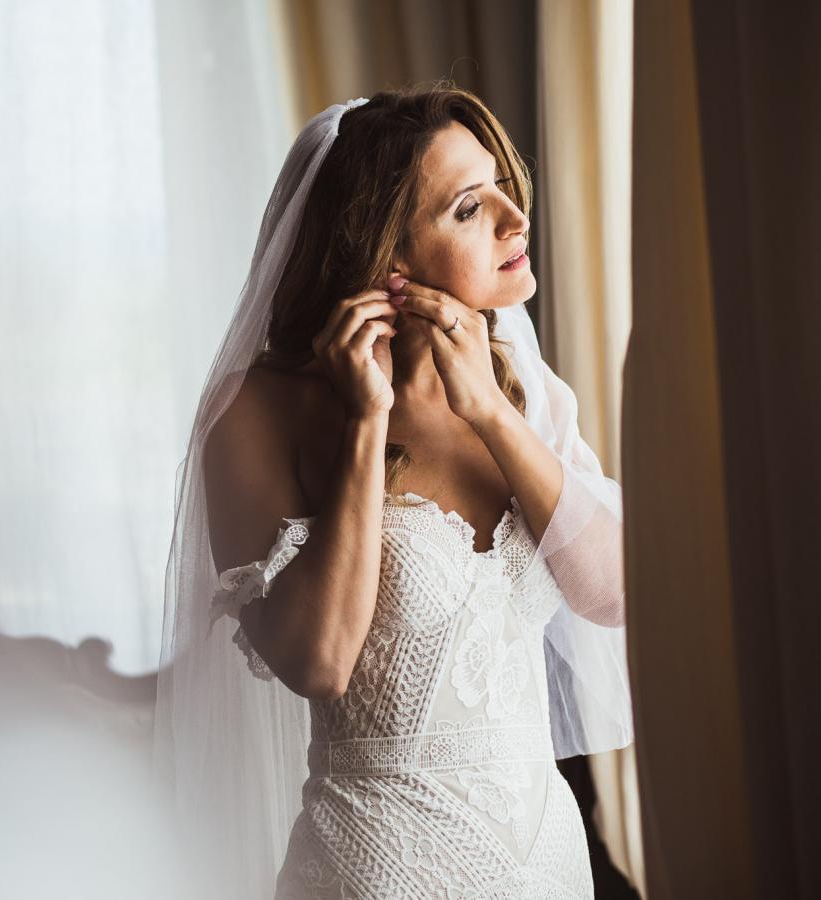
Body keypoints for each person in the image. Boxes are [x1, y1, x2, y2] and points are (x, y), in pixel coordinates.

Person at [153, 87, 633, 899]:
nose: (516, 220)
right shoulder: (257, 408)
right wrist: (366, 426)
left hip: (548, 863)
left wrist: (490, 412)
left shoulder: (526, 390)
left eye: (503, 191)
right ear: (387, 260)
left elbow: (616, 592)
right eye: (470, 208)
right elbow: (317, 661)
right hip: (384, 865)